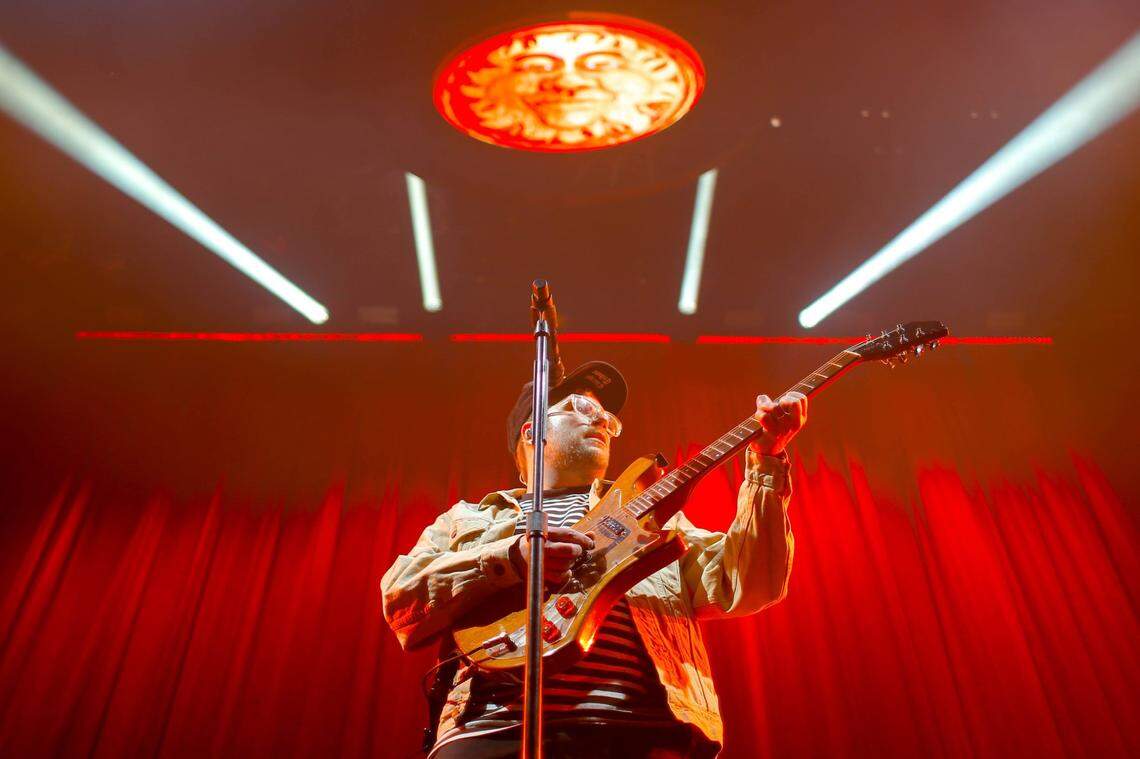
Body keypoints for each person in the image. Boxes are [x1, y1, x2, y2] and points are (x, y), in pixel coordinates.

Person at [381, 361, 806, 758]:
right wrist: (512, 559)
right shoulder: (468, 518)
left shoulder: (650, 517)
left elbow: (749, 582)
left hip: (638, 730)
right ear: (532, 431)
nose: (602, 421)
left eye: (608, 418)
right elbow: (401, 597)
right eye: (583, 408)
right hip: (488, 732)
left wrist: (766, 462)